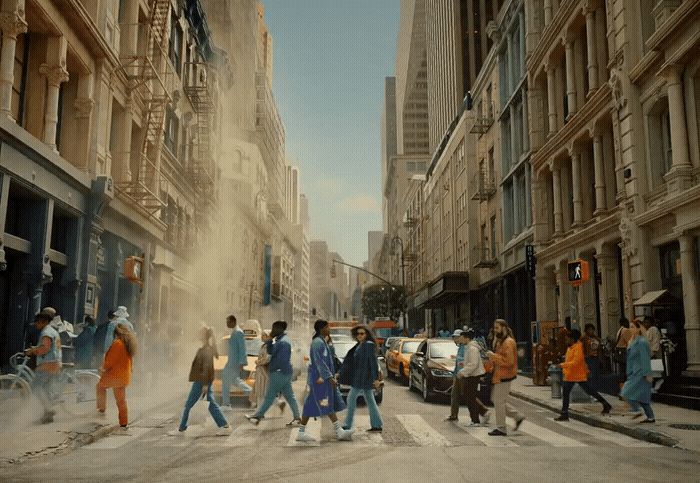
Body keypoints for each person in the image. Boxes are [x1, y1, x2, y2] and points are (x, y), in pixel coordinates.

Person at [295, 320, 352, 442]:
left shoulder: (322, 341)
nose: (329, 329)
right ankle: (339, 431)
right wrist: (329, 377)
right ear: (322, 328)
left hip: (320, 379)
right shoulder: (318, 343)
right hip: (320, 379)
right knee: (325, 402)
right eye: (328, 327)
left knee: (310, 405)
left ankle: (301, 432)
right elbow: (320, 362)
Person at [170, 325, 231, 436]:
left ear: (203, 336)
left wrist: (205, 384)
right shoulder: (205, 348)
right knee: (211, 405)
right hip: (203, 381)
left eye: (200, 332)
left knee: (189, 404)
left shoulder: (206, 350)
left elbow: (207, 368)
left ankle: (182, 429)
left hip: (201, 381)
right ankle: (224, 425)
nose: (198, 334)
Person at [246, 321, 301, 425]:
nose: (272, 331)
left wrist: (277, 369)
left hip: (279, 373)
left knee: (269, 396)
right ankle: (297, 418)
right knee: (289, 397)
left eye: (274, 328)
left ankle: (257, 417)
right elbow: (271, 352)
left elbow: (282, 360)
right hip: (283, 373)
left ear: (279, 329)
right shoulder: (279, 340)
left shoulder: (283, 342)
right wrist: (269, 341)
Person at [554, 329, 612, 421]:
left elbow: (576, 362)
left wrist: (562, 365)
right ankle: (564, 413)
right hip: (570, 375)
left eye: (567, 338)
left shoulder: (578, 348)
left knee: (589, 391)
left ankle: (605, 404)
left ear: (572, 339)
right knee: (567, 393)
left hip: (578, 375)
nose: (566, 339)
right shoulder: (570, 347)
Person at [341, 324, 383, 433]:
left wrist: (376, 379)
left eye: (362, 333)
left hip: (363, 378)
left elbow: (373, 363)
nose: (360, 335)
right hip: (360, 377)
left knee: (350, 398)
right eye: (358, 333)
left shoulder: (368, 345)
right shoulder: (360, 345)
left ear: (366, 334)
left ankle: (347, 424)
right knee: (370, 400)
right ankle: (377, 424)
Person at [486, 319, 524, 436]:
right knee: (497, 400)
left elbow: (509, 361)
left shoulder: (508, 342)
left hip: (505, 376)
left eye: (497, 328)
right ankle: (517, 416)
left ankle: (501, 427)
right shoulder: (501, 341)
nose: (495, 330)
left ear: (503, 328)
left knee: (499, 402)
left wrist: (493, 356)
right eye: (494, 328)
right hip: (499, 375)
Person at [24, 310, 62, 424]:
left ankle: (49, 410)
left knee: (35, 387)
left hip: (48, 364)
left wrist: (32, 351)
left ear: (43, 321)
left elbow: (45, 348)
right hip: (55, 363)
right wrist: (35, 348)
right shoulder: (53, 331)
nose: (36, 325)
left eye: (37, 322)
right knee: (46, 390)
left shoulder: (46, 332)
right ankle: (47, 416)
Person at [97, 324, 137, 431]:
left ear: (116, 333)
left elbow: (110, 360)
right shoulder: (128, 344)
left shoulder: (118, 343)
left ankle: (101, 409)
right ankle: (123, 422)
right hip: (123, 375)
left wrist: (103, 368)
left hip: (115, 375)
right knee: (121, 400)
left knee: (100, 386)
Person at [446, 329, 490, 425]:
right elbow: (470, 361)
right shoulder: (467, 347)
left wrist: (462, 372)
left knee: (470, 398)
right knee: (468, 397)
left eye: (460, 337)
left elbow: (473, 364)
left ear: (466, 338)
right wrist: (463, 363)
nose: (457, 339)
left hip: (471, 375)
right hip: (468, 374)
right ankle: (476, 418)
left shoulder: (471, 348)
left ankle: (477, 419)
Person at [621, 322, 655, 423]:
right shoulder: (633, 341)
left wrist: (647, 373)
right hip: (634, 372)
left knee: (626, 392)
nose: (630, 329)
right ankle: (650, 417)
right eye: (630, 327)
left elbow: (645, 358)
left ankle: (636, 410)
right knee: (642, 396)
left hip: (641, 372)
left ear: (638, 329)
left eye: (633, 327)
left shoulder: (641, 342)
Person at [249, 330, 285, 411]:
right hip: (261, 371)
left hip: (263, 371)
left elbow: (267, 358)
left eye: (264, 336)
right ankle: (278, 403)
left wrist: (258, 362)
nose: (261, 337)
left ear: (268, 337)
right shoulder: (264, 346)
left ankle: (259, 412)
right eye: (262, 335)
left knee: (261, 391)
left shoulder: (268, 346)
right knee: (262, 391)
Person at [221, 314, 252, 410]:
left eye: (228, 322)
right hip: (231, 362)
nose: (226, 323)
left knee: (233, 381)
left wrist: (242, 363)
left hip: (234, 363)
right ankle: (226, 404)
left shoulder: (238, 332)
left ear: (233, 322)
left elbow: (242, 349)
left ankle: (252, 393)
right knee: (230, 380)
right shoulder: (234, 332)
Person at [581, 323, 602, 391]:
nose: (591, 331)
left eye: (592, 329)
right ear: (586, 330)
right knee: (589, 375)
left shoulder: (596, 338)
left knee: (595, 375)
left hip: (595, 358)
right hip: (587, 358)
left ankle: (595, 390)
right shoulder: (583, 338)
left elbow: (599, 349)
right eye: (589, 329)